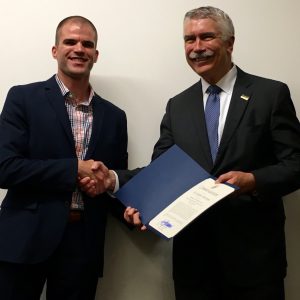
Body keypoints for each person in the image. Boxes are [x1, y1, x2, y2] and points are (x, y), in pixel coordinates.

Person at [82, 6, 300, 300]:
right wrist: (118, 184)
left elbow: (295, 164)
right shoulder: (178, 106)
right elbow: (160, 173)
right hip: (193, 263)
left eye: (206, 37)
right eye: (189, 39)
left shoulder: (270, 94)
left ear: (229, 43)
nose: (196, 48)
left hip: (254, 261)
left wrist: (253, 180)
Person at [0, 16, 128, 300]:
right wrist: (74, 169)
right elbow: (5, 168)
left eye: (87, 44)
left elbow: (115, 176)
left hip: (83, 244)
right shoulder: (22, 98)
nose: (79, 48)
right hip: (24, 239)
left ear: (96, 54)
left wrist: (129, 210)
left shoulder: (115, 116)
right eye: (70, 41)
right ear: (55, 50)